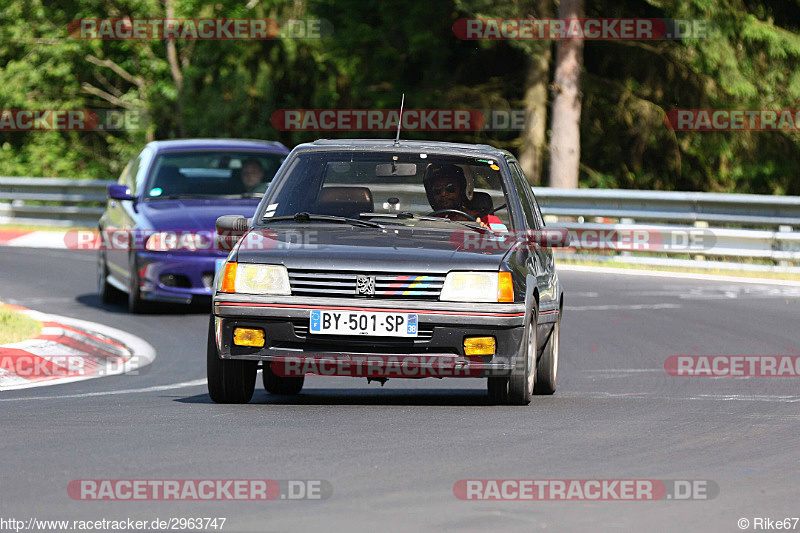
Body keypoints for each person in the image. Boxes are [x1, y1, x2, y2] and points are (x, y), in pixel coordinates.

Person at [422, 163, 505, 230]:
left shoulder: (489, 221)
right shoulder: (428, 223)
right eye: (437, 190)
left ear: (462, 190)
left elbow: (505, 243)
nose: (443, 194)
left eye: (450, 188)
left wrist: (487, 233)